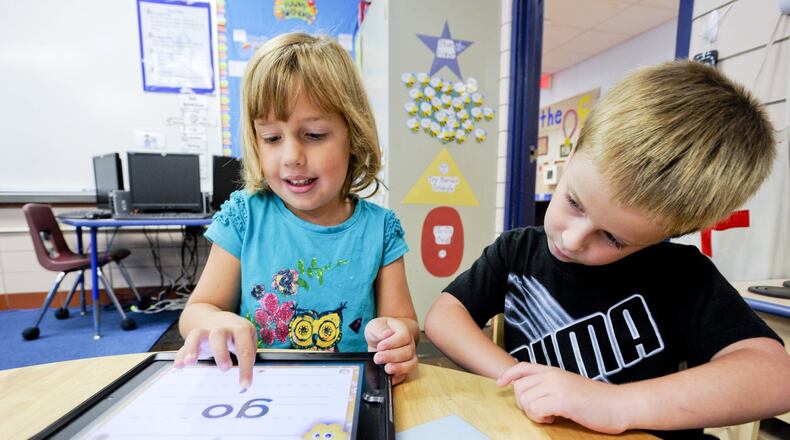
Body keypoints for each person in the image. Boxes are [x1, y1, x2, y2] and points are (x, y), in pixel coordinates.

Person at [424, 60, 790, 439]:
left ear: (675, 232)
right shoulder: (516, 251)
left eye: (613, 238)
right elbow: (443, 316)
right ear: (572, 154)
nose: (571, 239)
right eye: (574, 202)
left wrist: (614, 404)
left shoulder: (681, 274)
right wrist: (517, 378)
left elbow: (776, 376)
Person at [174, 32, 419, 389]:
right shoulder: (245, 216)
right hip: (254, 392)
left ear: (353, 135)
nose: (291, 157)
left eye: (315, 134)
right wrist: (215, 323)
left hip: (350, 393)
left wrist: (398, 335)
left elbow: (404, 321)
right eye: (272, 138)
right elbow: (196, 311)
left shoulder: (380, 229)